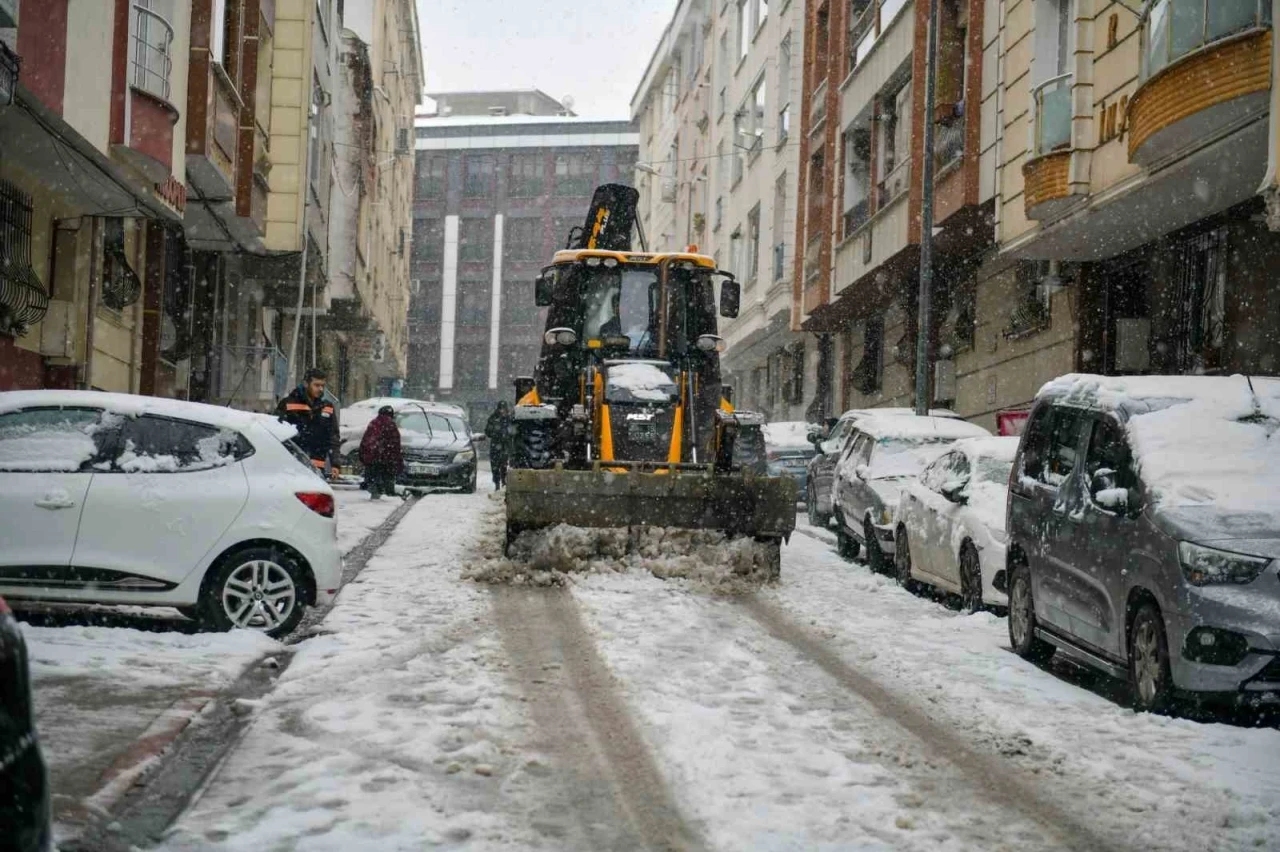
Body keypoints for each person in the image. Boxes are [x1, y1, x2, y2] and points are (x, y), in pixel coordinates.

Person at [277, 368, 340, 477]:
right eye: (316, 385)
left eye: (322, 386)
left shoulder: (327, 407)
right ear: (306, 384)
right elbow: (276, 433)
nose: (320, 389)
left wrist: (335, 464)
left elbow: (333, 437)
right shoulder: (288, 404)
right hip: (292, 465)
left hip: (317, 467)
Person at [359, 406, 403, 500]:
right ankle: (382, 495)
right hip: (386, 460)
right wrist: (397, 460)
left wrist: (363, 456)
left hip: (372, 459)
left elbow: (365, 441)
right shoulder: (391, 424)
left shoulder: (374, 423)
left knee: (373, 479)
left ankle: (374, 494)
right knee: (385, 481)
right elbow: (395, 444)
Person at [484, 400, 513, 489]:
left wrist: (508, 435)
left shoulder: (509, 418)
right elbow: (488, 431)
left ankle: (504, 481)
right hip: (495, 444)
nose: (502, 411)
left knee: (504, 464)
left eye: (503, 409)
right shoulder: (493, 418)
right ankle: (497, 482)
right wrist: (495, 433)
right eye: (501, 409)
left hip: (505, 445)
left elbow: (514, 430)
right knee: (495, 465)